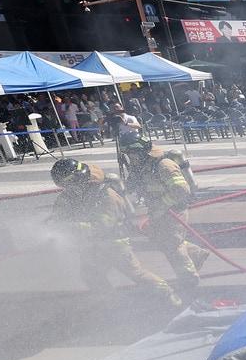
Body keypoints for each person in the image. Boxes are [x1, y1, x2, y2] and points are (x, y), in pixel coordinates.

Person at [48, 158, 183, 307]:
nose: (67, 189)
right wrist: (53, 224)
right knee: (91, 275)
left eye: (68, 185)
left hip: (115, 244)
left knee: (136, 274)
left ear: (77, 180)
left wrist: (72, 227)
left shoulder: (106, 194)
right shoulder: (69, 195)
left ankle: (169, 295)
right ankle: (112, 304)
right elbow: (59, 212)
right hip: (92, 246)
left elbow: (104, 225)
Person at [117, 130, 209, 295]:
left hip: (174, 209)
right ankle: (196, 253)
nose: (131, 158)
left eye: (131, 154)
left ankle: (189, 279)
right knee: (163, 240)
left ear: (139, 151)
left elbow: (181, 189)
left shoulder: (163, 164)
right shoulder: (142, 166)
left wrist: (161, 205)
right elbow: (133, 186)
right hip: (158, 210)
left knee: (173, 245)